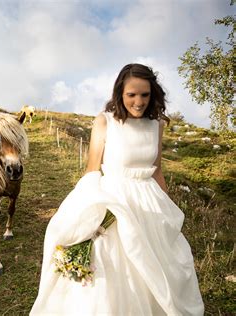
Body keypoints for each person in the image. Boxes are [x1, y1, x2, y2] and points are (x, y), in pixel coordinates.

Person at [31, 63, 204, 315]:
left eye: (145, 94)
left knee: (156, 267)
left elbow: (156, 169)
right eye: (131, 95)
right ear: (120, 94)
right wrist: (88, 210)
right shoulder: (105, 122)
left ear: (152, 94)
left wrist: (168, 209)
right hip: (113, 200)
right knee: (112, 268)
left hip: (150, 204)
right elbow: (92, 169)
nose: (138, 101)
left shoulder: (157, 125)